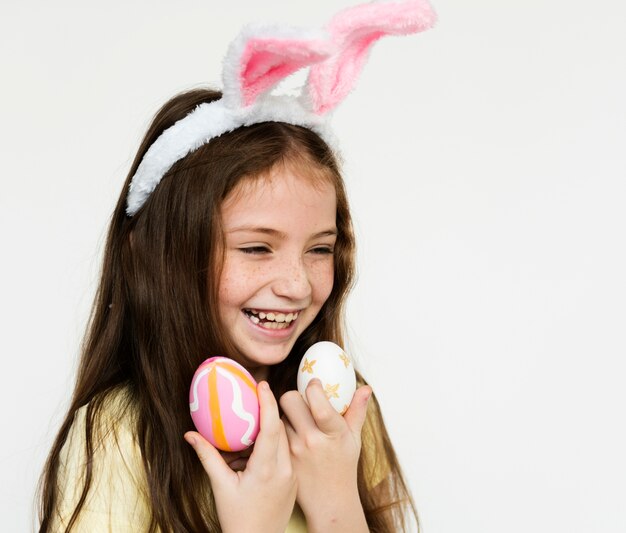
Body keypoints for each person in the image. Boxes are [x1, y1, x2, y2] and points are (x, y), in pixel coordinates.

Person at [38, 2, 435, 531]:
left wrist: (338, 503)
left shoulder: (340, 418)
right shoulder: (119, 433)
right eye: (256, 248)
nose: (296, 284)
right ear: (157, 255)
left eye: (319, 249)